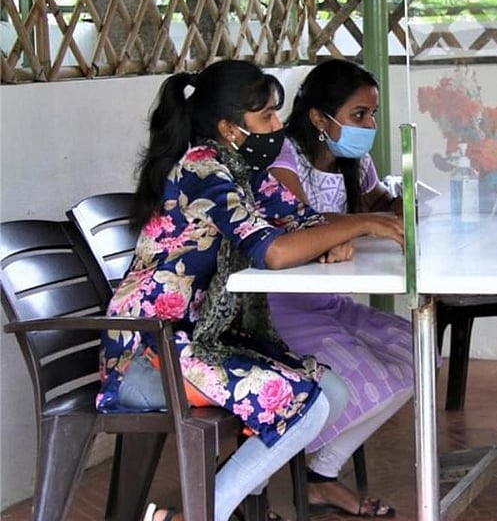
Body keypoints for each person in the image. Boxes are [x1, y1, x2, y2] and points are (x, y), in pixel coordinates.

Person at [96, 60, 403, 521]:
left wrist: (336, 235)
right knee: (303, 403)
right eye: (267, 117)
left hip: (201, 344)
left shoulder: (244, 172)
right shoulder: (203, 171)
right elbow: (273, 252)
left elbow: (302, 220)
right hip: (149, 353)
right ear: (230, 127)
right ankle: (199, 515)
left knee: (330, 391)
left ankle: (220, 508)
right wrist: (360, 224)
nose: (279, 127)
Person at [262, 58, 414, 517]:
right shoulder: (283, 156)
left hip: (329, 302)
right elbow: (294, 220)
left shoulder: (353, 160)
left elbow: (375, 205)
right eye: (359, 115)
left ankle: (320, 474)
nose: (368, 126)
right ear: (318, 118)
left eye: (371, 114)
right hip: (278, 309)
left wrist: (398, 206)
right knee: (377, 378)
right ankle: (290, 464)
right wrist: (366, 222)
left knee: (418, 354)